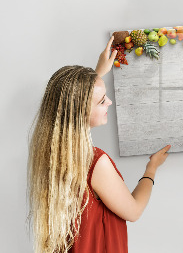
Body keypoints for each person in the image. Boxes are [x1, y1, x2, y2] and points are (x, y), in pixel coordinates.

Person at [27, 36, 171, 253]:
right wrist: (151, 168)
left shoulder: (49, 151)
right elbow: (134, 211)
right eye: (102, 100)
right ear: (81, 111)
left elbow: (73, 100)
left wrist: (97, 73)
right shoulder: (95, 163)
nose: (110, 102)